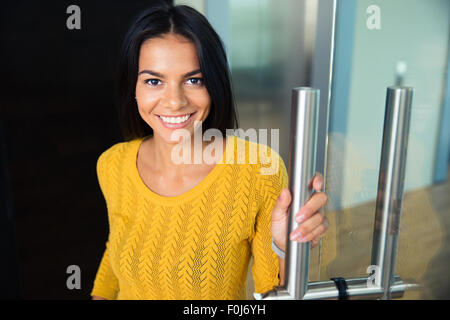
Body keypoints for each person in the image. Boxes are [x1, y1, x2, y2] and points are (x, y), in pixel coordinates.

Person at [91, 3, 328, 300]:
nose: (175, 101)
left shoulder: (258, 169)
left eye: (194, 80)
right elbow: (113, 257)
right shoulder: (113, 164)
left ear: (214, 84)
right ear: (133, 88)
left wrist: (287, 246)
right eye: (154, 81)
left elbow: (273, 294)